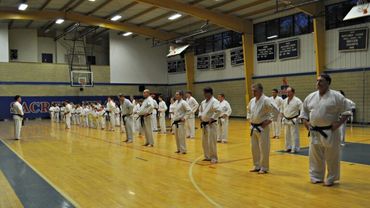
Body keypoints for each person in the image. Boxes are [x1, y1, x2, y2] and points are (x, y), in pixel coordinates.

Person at [299, 74, 352, 186]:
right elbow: (303, 111)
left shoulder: (337, 96)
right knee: (315, 155)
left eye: (321, 81)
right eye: (317, 81)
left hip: (330, 131)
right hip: (314, 131)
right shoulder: (311, 96)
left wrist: (338, 123)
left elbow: (347, 111)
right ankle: (316, 176)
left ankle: (331, 178)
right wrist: (305, 121)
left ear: (328, 82)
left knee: (332, 156)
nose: (318, 83)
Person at [247, 83, 279, 174]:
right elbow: (248, 110)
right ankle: (256, 165)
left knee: (264, 148)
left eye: (255, 90)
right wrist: (250, 118)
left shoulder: (266, 100)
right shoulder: (252, 100)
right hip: (253, 127)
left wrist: (269, 121)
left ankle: (264, 167)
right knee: (254, 148)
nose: (253, 92)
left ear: (261, 90)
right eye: (252, 90)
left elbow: (276, 110)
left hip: (262, 128)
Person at [198, 87, 221, 164]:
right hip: (204, 124)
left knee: (211, 141)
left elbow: (218, 110)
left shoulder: (214, 101)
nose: (204, 95)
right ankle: (207, 156)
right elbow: (200, 110)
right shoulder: (203, 102)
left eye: (205, 93)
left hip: (211, 124)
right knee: (204, 142)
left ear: (209, 93)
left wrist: (212, 118)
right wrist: (200, 116)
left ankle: (214, 157)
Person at [281, 87, 302, 153]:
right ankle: (288, 147)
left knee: (294, 135)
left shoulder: (297, 100)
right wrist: (283, 116)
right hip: (286, 119)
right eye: (286, 92)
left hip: (293, 120)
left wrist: (298, 118)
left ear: (293, 92)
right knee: (286, 135)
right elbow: (282, 110)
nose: (287, 93)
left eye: (289, 92)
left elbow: (302, 110)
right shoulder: (284, 101)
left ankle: (295, 148)